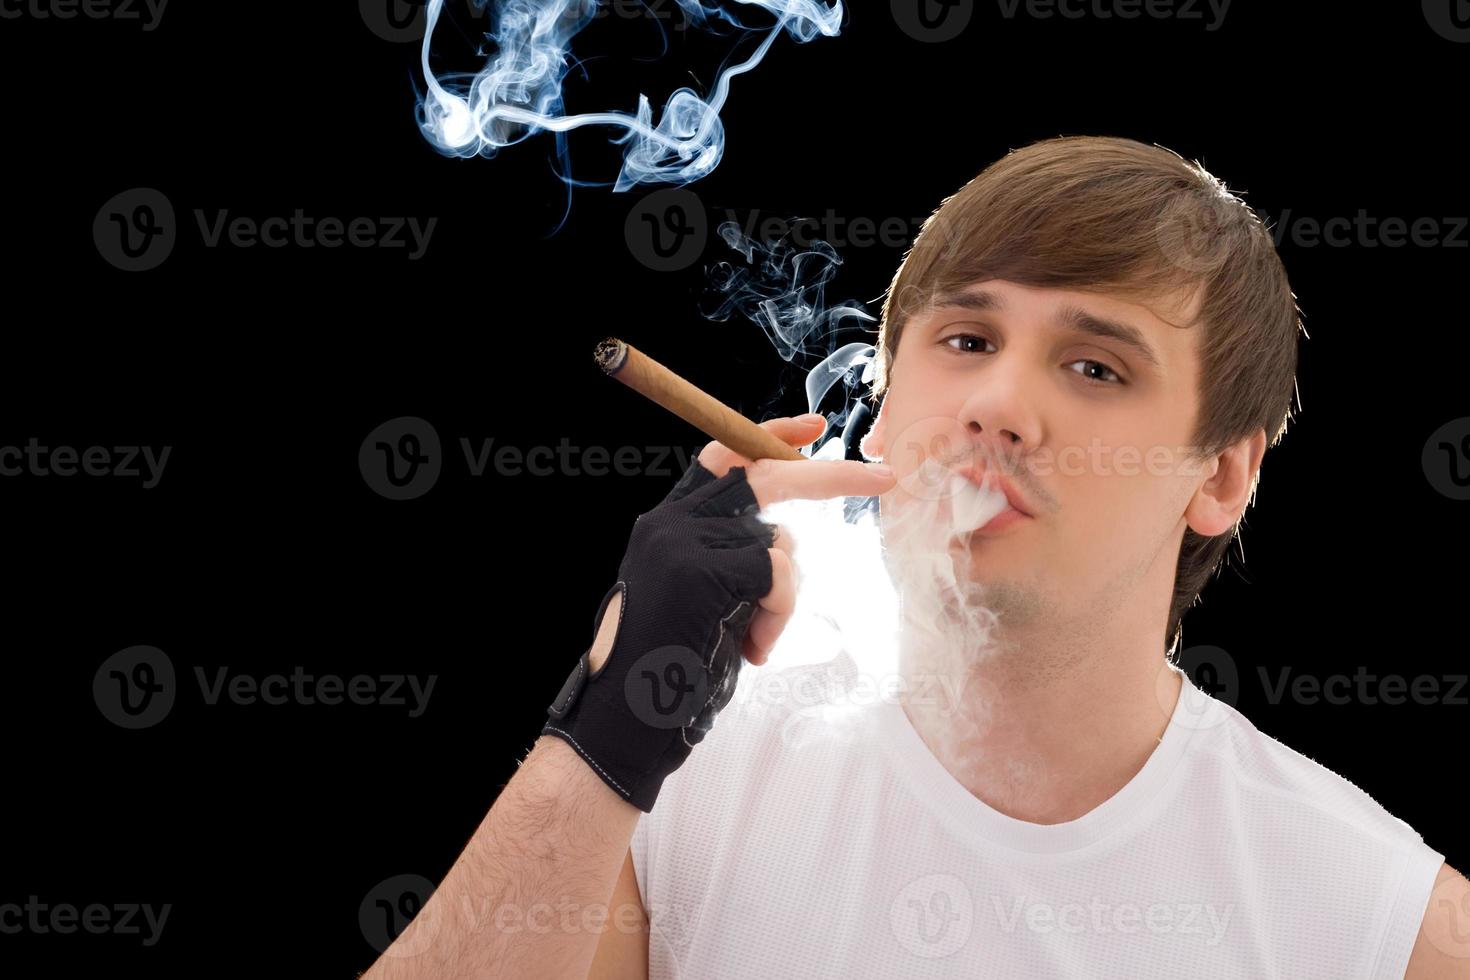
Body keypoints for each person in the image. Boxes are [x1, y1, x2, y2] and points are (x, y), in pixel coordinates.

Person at [359, 136, 1467, 980]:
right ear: (883, 409)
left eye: (1093, 367)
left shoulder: (1363, 905)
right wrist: (605, 728)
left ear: (1223, 475)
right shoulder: (688, 786)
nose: (996, 404)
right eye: (967, 340)